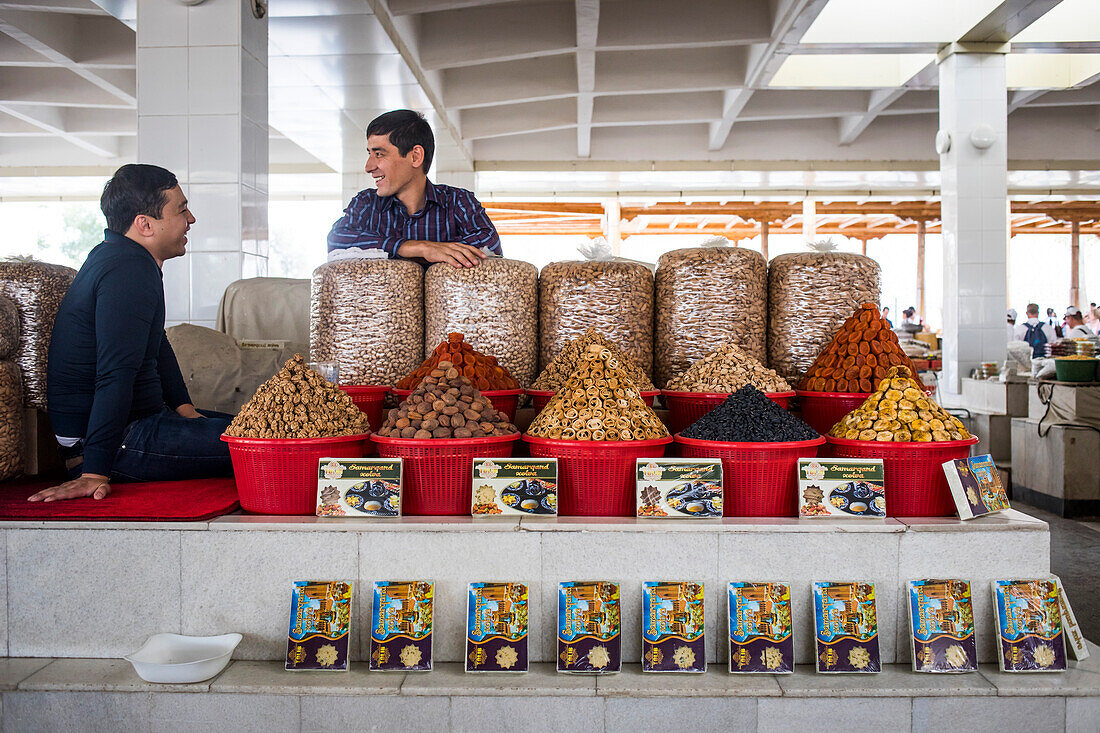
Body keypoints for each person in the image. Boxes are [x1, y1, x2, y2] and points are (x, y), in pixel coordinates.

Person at [31, 164, 233, 502]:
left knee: (260, 425)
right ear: (145, 224)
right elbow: (115, 374)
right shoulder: (128, 270)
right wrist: (94, 471)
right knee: (276, 442)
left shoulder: (121, 256)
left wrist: (185, 408)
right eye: (181, 209)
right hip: (116, 442)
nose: (191, 219)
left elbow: (157, 344)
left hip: (134, 426)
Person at [327, 109, 501, 268]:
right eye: (369, 154)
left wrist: (387, 251)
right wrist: (418, 248)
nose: (368, 166)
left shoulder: (457, 201)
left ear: (415, 157)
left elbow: (489, 243)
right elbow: (337, 241)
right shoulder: (366, 203)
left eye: (379, 154)